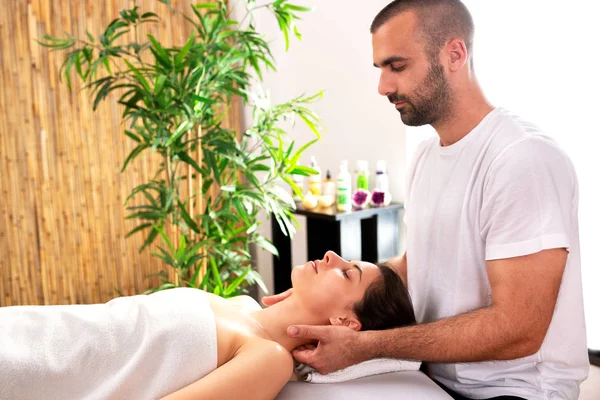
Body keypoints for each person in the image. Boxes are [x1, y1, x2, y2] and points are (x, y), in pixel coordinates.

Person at [262, 1, 589, 399]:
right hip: (436, 378)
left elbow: (518, 330)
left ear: (454, 54)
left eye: (396, 67)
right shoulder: (426, 157)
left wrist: (366, 346)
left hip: (516, 390)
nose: (383, 87)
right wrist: (320, 296)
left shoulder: (521, 160)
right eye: (380, 69)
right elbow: (422, 263)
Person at [0, 251, 416, 400]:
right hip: (33, 328)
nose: (329, 256)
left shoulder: (269, 359)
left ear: (345, 321)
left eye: (346, 274)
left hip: (39, 371)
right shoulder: (239, 306)